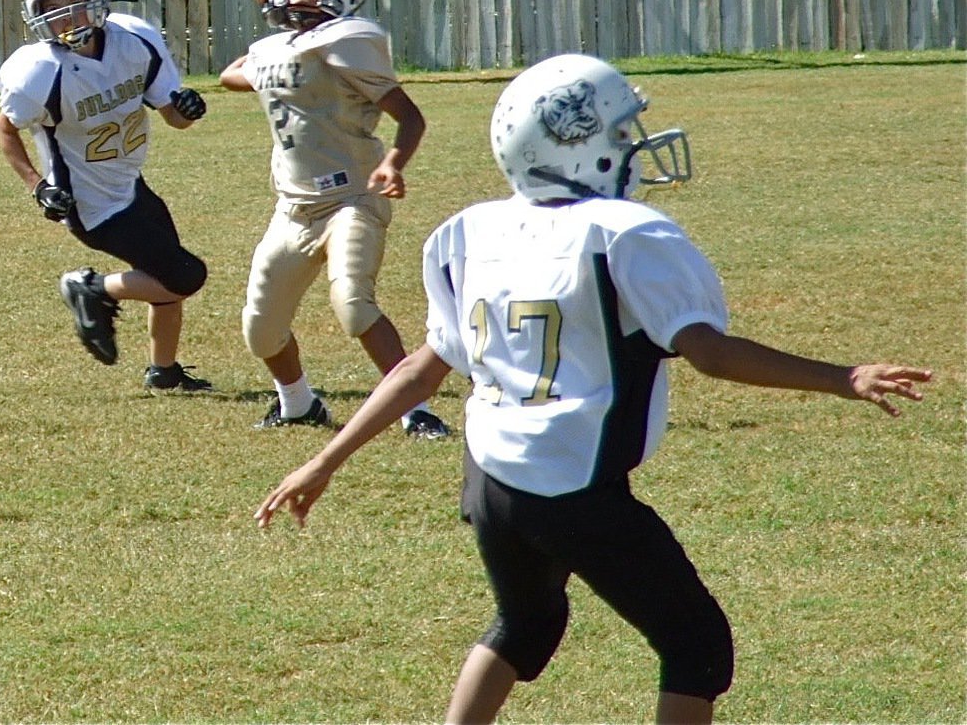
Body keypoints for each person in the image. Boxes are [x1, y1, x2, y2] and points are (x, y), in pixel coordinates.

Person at [255, 53, 932, 723]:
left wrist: (325, 459)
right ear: (580, 146)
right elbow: (710, 354)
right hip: (571, 485)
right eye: (618, 133)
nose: (630, 146)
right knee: (695, 643)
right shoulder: (625, 234)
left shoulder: (471, 230)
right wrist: (842, 377)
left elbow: (421, 368)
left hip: (490, 480)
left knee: (526, 623)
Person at [219, 0, 451, 438]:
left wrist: (393, 162)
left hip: (353, 196)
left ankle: (416, 410)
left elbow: (409, 117)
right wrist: (278, 43)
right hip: (295, 206)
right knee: (260, 328)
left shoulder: (348, 40)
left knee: (352, 301)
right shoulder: (270, 50)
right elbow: (230, 74)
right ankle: (298, 404)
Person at [0, 0, 211, 393]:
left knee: (165, 279)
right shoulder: (38, 71)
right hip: (90, 205)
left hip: (130, 183)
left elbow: (174, 117)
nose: (66, 19)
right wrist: (38, 187)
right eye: (52, 11)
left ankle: (164, 371)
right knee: (186, 275)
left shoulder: (136, 39)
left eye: (74, 3)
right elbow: (5, 130)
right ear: (36, 20)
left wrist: (187, 109)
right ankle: (91, 288)